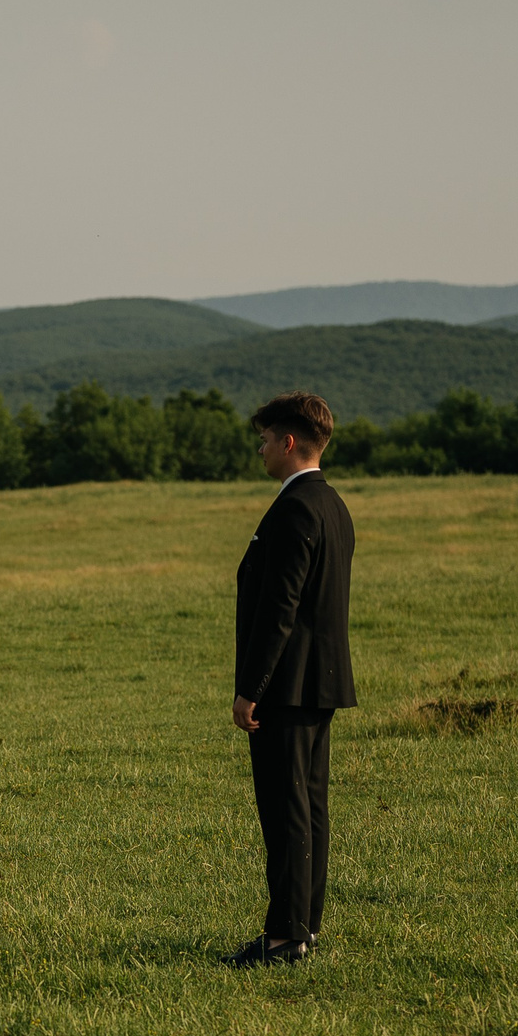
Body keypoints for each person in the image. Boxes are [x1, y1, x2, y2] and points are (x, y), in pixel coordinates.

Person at [227, 391, 356, 967]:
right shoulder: (332, 504)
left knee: (286, 811)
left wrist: (250, 688)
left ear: (287, 442)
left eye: (263, 439)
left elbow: (281, 608)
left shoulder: (296, 508)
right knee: (309, 807)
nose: (259, 449)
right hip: (318, 682)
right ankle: (303, 929)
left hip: (287, 685)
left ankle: (285, 937)